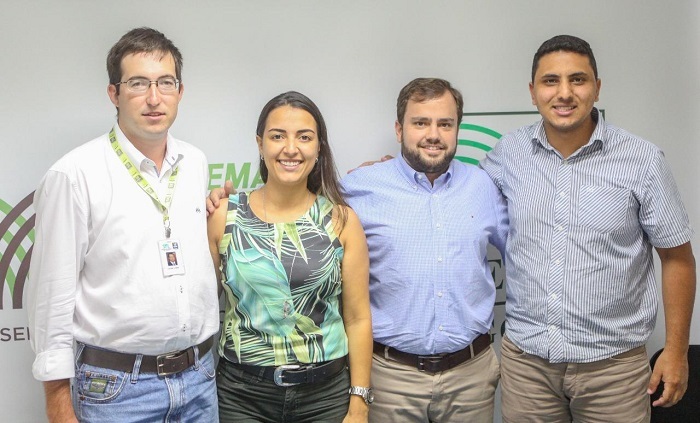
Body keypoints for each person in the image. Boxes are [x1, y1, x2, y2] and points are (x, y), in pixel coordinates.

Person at [480, 35, 696, 422]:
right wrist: (393, 173)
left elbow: (677, 259)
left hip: (613, 372)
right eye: (550, 81)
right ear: (532, 92)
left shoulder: (642, 160)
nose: (564, 93)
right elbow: (455, 193)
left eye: (578, 80)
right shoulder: (507, 154)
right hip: (528, 369)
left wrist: (676, 351)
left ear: (597, 87)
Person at [26, 28, 220, 422]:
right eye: (138, 83)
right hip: (117, 390)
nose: (154, 98)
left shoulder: (195, 162)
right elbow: (51, 298)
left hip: (200, 379)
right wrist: (59, 407)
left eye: (165, 82)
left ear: (180, 91)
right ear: (114, 94)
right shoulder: (74, 174)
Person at [342, 78, 508, 422]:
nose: (434, 134)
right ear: (399, 129)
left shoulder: (484, 187)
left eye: (445, 124)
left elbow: (527, 259)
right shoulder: (358, 188)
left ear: (457, 128)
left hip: (471, 377)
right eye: (421, 122)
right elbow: (291, 210)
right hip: (390, 378)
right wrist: (223, 203)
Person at [207, 91, 372, 422]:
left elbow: (357, 318)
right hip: (242, 396)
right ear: (260, 144)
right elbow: (199, 308)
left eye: (304, 137)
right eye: (277, 136)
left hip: (325, 395)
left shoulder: (341, 221)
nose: (291, 148)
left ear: (318, 148)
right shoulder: (225, 216)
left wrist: (360, 401)